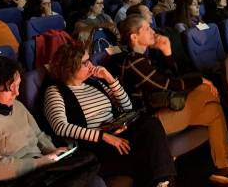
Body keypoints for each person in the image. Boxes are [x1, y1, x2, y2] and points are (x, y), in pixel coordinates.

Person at [118, 15, 228, 185]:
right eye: (147, 29)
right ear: (134, 37)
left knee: (213, 110)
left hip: (169, 109)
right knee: (207, 89)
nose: (153, 31)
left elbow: (174, 77)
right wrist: (201, 80)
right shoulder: (132, 61)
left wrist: (167, 52)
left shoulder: (148, 57)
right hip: (151, 122)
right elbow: (167, 84)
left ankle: (224, 167)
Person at [45, 44, 176, 186]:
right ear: (69, 67)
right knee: (152, 155)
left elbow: (127, 107)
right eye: (85, 62)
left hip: (118, 134)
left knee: (151, 124)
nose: (90, 65)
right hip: (96, 146)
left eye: (89, 60)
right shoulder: (55, 91)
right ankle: (165, 179)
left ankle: (163, 181)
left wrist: (110, 79)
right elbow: (60, 127)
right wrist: (104, 136)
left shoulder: (94, 83)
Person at [0, 56, 99, 186]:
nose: (17, 93)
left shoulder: (17, 106)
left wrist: (55, 153)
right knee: (85, 166)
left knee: (89, 159)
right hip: (19, 179)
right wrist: (42, 162)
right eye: (10, 89)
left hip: (42, 170)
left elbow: (38, 136)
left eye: (18, 86)